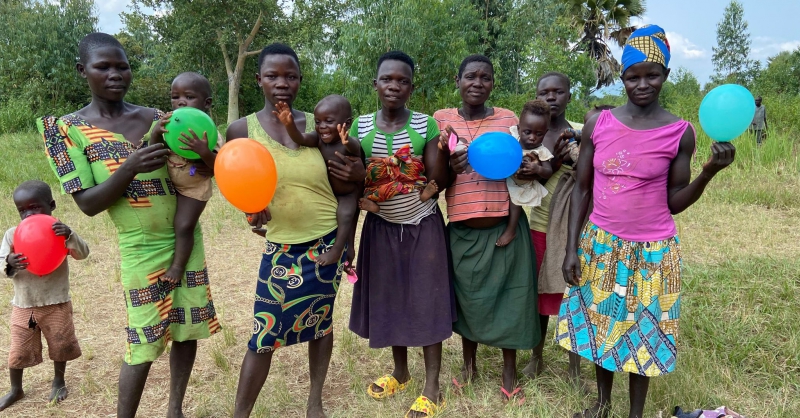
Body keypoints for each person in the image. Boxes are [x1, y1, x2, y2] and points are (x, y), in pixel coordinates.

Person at [37, 33, 220, 418]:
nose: (115, 74)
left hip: (186, 239)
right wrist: (132, 165)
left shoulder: (161, 118)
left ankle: (175, 409)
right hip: (140, 246)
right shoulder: (65, 131)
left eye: (122, 66)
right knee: (143, 341)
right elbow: (87, 204)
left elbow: (191, 170)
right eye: (103, 67)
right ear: (81, 70)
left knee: (186, 330)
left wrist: (200, 164)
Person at [557, 25, 736, 418]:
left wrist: (708, 173)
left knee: (644, 334)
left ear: (665, 76)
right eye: (633, 76)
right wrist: (571, 248)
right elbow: (582, 190)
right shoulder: (597, 124)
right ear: (622, 78)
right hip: (601, 244)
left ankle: (635, 414)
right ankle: (602, 406)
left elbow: (674, 202)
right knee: (604, 325)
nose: (642, 84)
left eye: (651, 75)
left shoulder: (679, 133)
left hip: (653, 251)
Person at [226, 43, 365, 418]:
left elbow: (347, 185)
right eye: (272, 75)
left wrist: (345, 241)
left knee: (320, 324)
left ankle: (314, 401)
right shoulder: (242, 129)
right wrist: (250, 212)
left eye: (290, 76)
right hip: (281, 248)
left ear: (301, 80)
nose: (282, 83)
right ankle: (241, 413)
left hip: (325, 243)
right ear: (258, 80)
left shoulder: (319, 124)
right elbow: (235, 178)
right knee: (263, 334)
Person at [349, 50, 454, 418]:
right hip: (380, 228)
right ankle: (400, 372)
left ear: (412, 87)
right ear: (375, 84)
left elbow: (437, 180)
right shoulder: (360, 127)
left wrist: (444, 150)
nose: (394, 86)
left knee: (427, 299)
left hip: (422, 224)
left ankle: (433, 387)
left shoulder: (426, 125)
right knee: (390, 297)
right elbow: (353, 176)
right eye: (387, 79)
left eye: (403, 81)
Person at [433, 54, 539, 403]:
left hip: (504, 225)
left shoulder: (508, 119)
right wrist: (450, 165)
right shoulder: (442, 121)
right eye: (470, 77)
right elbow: (436, 177)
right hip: (462, 227)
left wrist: (527, 167)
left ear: (493, 83)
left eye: (486, 78)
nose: (478, 83)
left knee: (512, 298)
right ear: (458, 80)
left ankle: (509, 375)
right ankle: (469, 368)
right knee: (468, 300)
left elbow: (518, 166)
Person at [537, 104, 615, 385]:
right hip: (557, 221)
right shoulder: (571, 141)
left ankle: (576, 366)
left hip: (597, 227)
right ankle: (539, 355)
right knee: (547, 289)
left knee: (579, 297)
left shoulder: (610, 147)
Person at [0, 181, 89, 411]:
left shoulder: (60, 231)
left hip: (56, 303)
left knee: (61, 343)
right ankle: (15, 389)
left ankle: (59, 382)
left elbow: (83, 253)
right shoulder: (12, 234)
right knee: (18, 348)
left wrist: (70, 235)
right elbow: (1, 263)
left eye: (35, 207)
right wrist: (9, 262)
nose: (28, 214)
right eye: (22, 210)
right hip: (25, 305)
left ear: (51, 205)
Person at [522, 71, 584, 379]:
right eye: (544, 92)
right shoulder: (531, 134)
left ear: (568, 97)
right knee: (540, 291)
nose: (550, 97)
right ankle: (536, 355)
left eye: (558, 92)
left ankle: (574, 366)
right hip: (539, 224)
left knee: (573, 295)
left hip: (573, 229)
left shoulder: (581, 132)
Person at [149, 72, 224, 283]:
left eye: (189, 97)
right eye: (175, 96)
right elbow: (155, 151)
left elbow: (221, 167)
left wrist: (205, 152)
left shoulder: (209, 132)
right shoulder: (170, 125)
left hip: (194, 188)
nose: (181, 101)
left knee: (183, 225)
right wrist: (156, 134)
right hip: (169, 186)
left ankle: (177, 267)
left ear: (206, 103)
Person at [272, 95, 360, 268]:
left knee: (345, 215)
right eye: (318, 122)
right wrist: (289, 125)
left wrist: (347, 141)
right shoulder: (318, 139)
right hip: (326, 193)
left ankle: (338, 250)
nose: (322, 127)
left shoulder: (349, 142)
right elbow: (300, 139)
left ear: (347, 123)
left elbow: (355, 149)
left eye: (328, 121)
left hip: (346, 194)